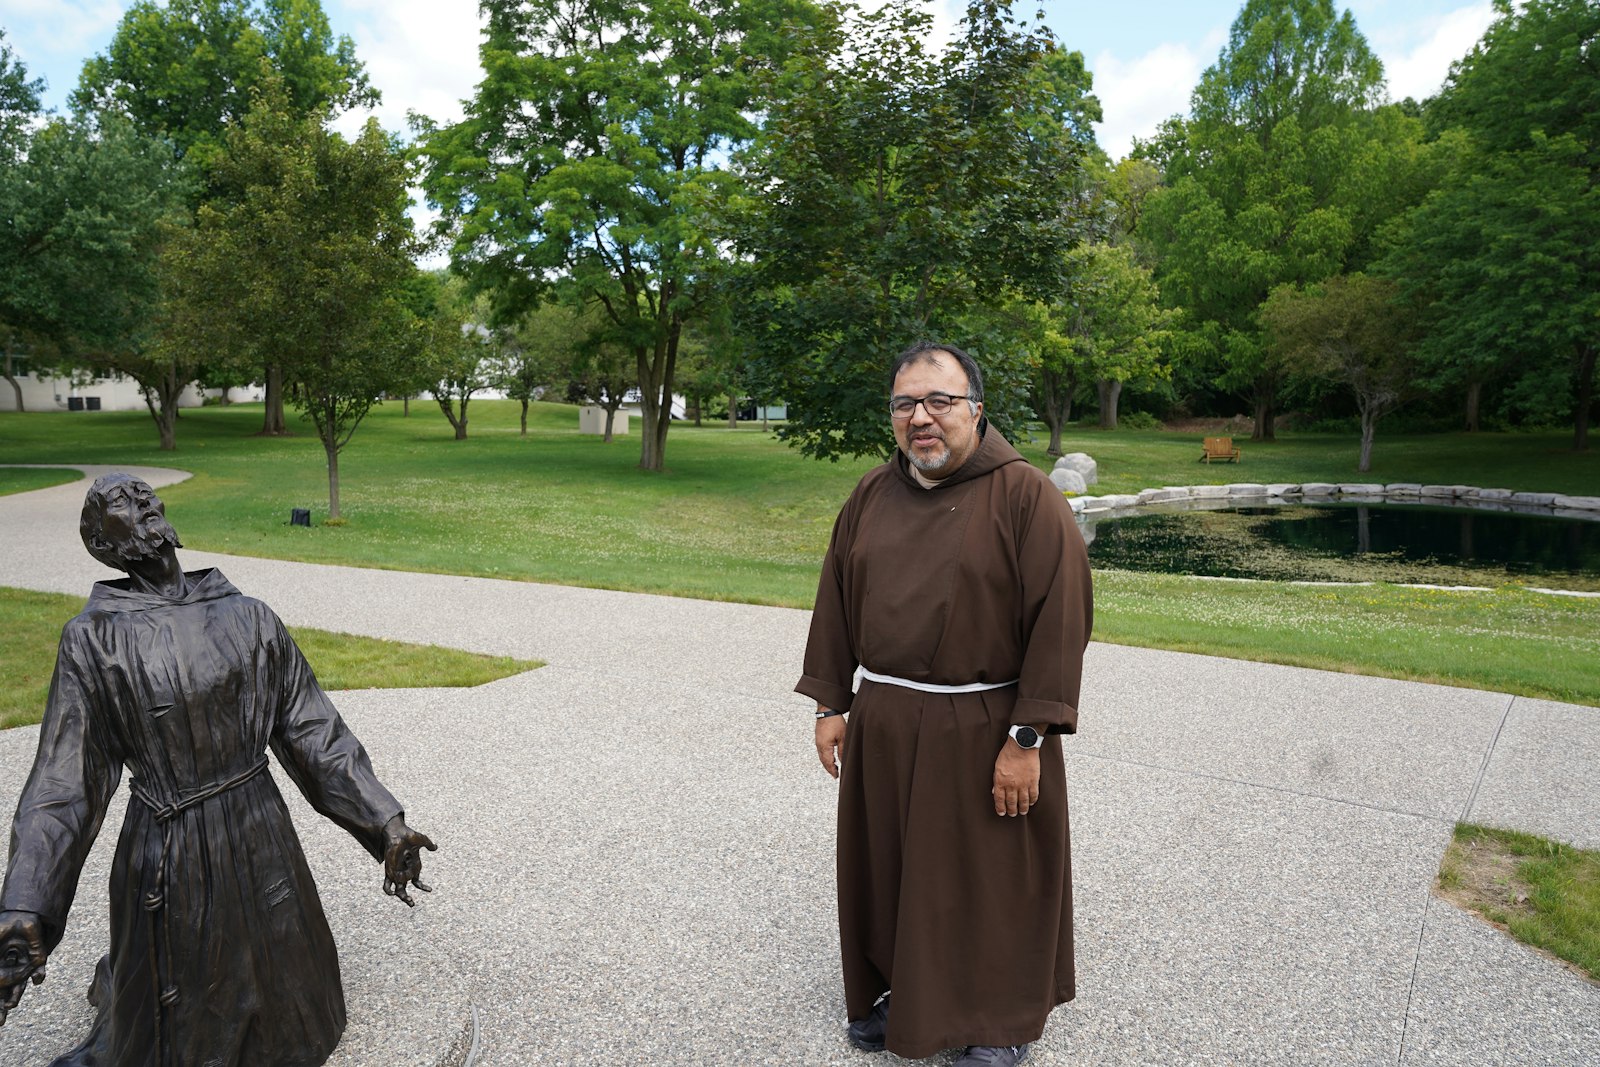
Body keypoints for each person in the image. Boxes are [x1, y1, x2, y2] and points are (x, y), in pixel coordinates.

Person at [0, 473, 436, 1067]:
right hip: (171, 851)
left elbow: (314, 731)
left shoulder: (251, 618)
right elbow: (62, 784)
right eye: (123, 503)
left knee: (291, 1005)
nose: (146, 503)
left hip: (262, 835)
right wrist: (26, 901)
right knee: (176, 1028)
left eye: (145, 494)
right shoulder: (93, 641)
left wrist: (384, 820)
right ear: (103, 544)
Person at [798, 342, 1093, 1066]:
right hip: (889, 720)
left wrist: (1028, 738)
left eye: (940, 401)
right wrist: (831, 701)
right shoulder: (871, 494)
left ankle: (999, 1021)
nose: (921, 417)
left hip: (986, 724)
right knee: (897, 869)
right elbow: (836, 599)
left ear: (977, 410)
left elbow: (1061, 621)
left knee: (989, 880)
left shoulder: (1026, 497)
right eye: (905, 404)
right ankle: (908, 993)